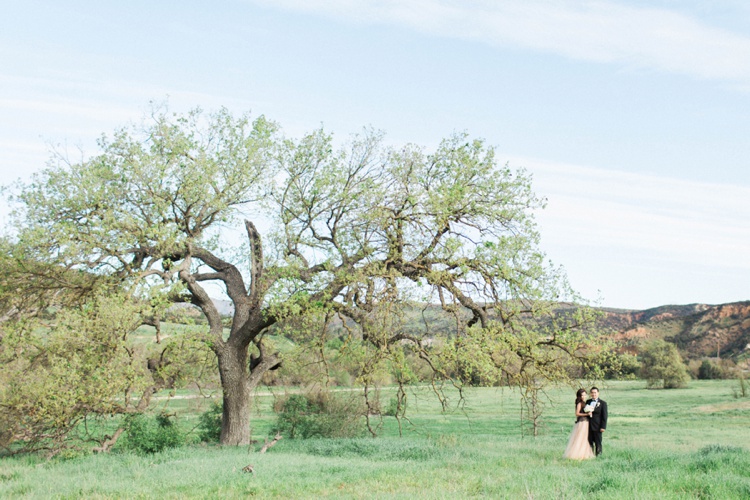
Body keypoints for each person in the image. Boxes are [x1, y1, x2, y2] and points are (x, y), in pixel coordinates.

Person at [562, 388, 595, 460]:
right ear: (579, 396)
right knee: (580, 438)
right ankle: (577, 454)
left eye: (584, 395)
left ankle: (583, 454)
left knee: (585, 438)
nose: (583, 396)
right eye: (581, 395)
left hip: (586, 422)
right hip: (582, 422)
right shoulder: (580, 403)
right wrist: (586, 414)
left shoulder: (584, 402)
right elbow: (577, 413)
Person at [586, 386, 608, 456]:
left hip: (598, 426)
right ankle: (590, 455)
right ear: (590, 394)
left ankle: (598, 456)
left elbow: (604, 416)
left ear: (598, 393)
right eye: (592, 393)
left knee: (598, 442)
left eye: (595, 393)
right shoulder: (588, 402)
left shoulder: (603, 403)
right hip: (588, 426)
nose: (593, 394)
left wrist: (603, 427)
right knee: (589, 442)